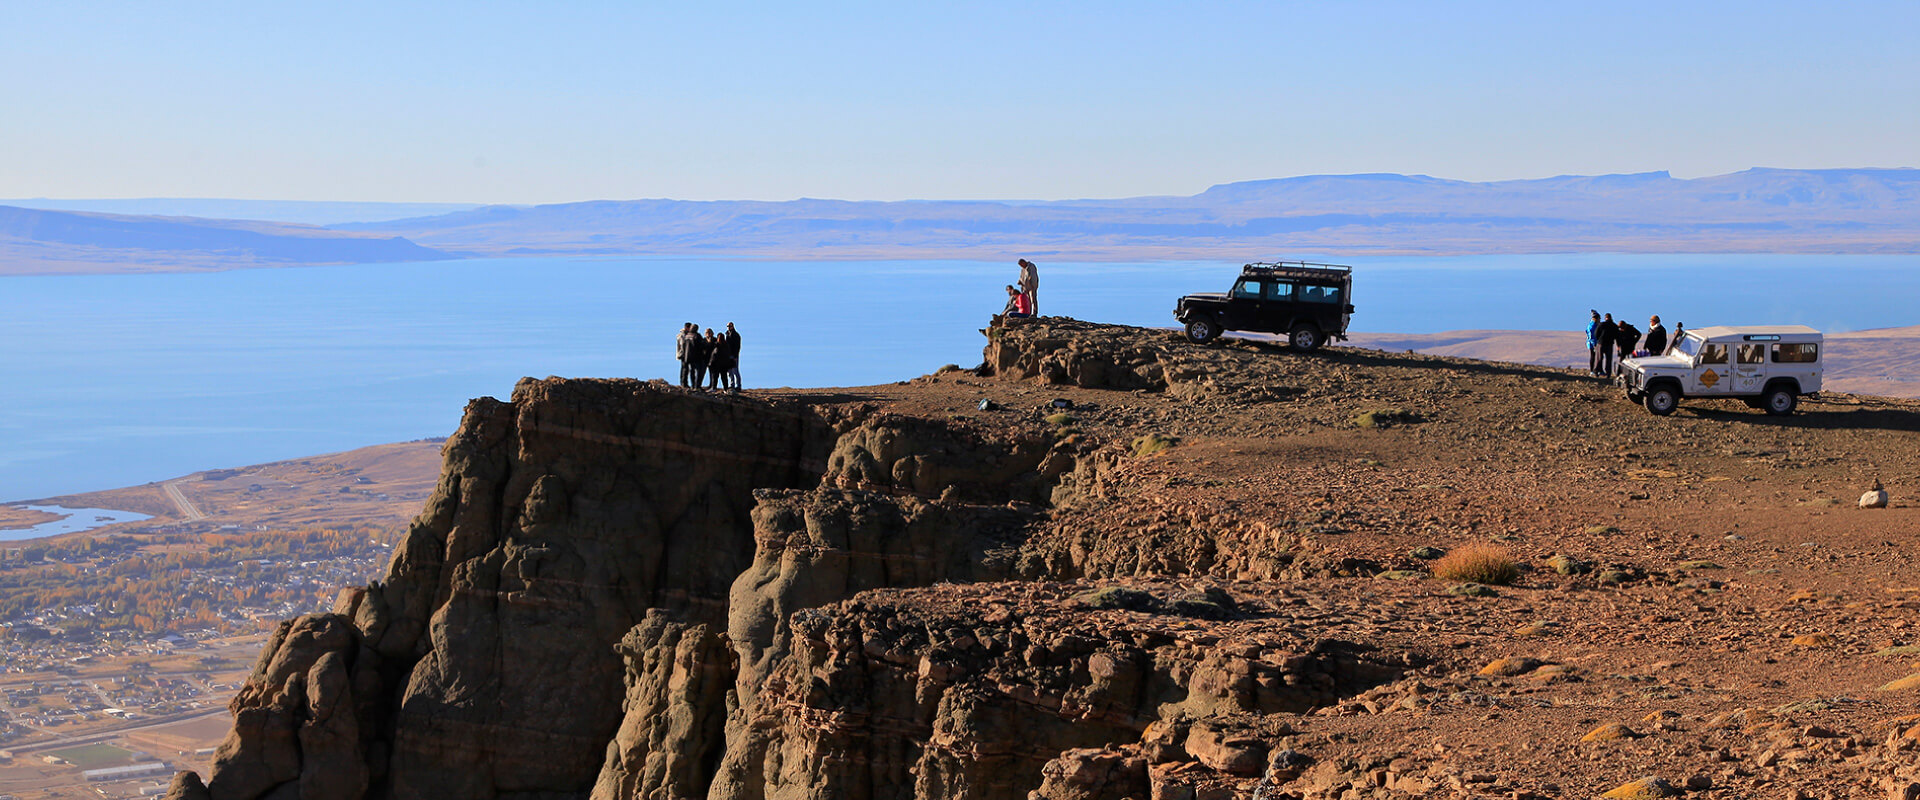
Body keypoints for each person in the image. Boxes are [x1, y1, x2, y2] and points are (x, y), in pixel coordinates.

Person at [676, 323, 699, 387]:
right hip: (684, 354)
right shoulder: (682, 335)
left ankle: (686, 383)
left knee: (686, 369)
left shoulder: (686, 335)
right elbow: (683, 345)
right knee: (685, 369)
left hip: (687, 353)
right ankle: (684, 383)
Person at [722, 322, 742, 392]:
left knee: (735, 370)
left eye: (729, 326)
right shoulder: (726, 335)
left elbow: (737, 347)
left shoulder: (736, 335)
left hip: (734, 355)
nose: (728, 327)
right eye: (727, 326)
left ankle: (738, 385)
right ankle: (732, 384)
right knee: (729, 371)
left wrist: (735, 355)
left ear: (732, 326)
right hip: (728, 355)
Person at [1586, 310, 1603, 375]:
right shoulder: (1592, 326)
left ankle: (1595, 370)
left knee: (1595, 357)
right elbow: (1591, 336)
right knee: (1593, 356)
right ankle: (1592, 370)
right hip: (1592, 344)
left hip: (1594, 343)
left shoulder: (1595, 325)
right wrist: (1594, 345)